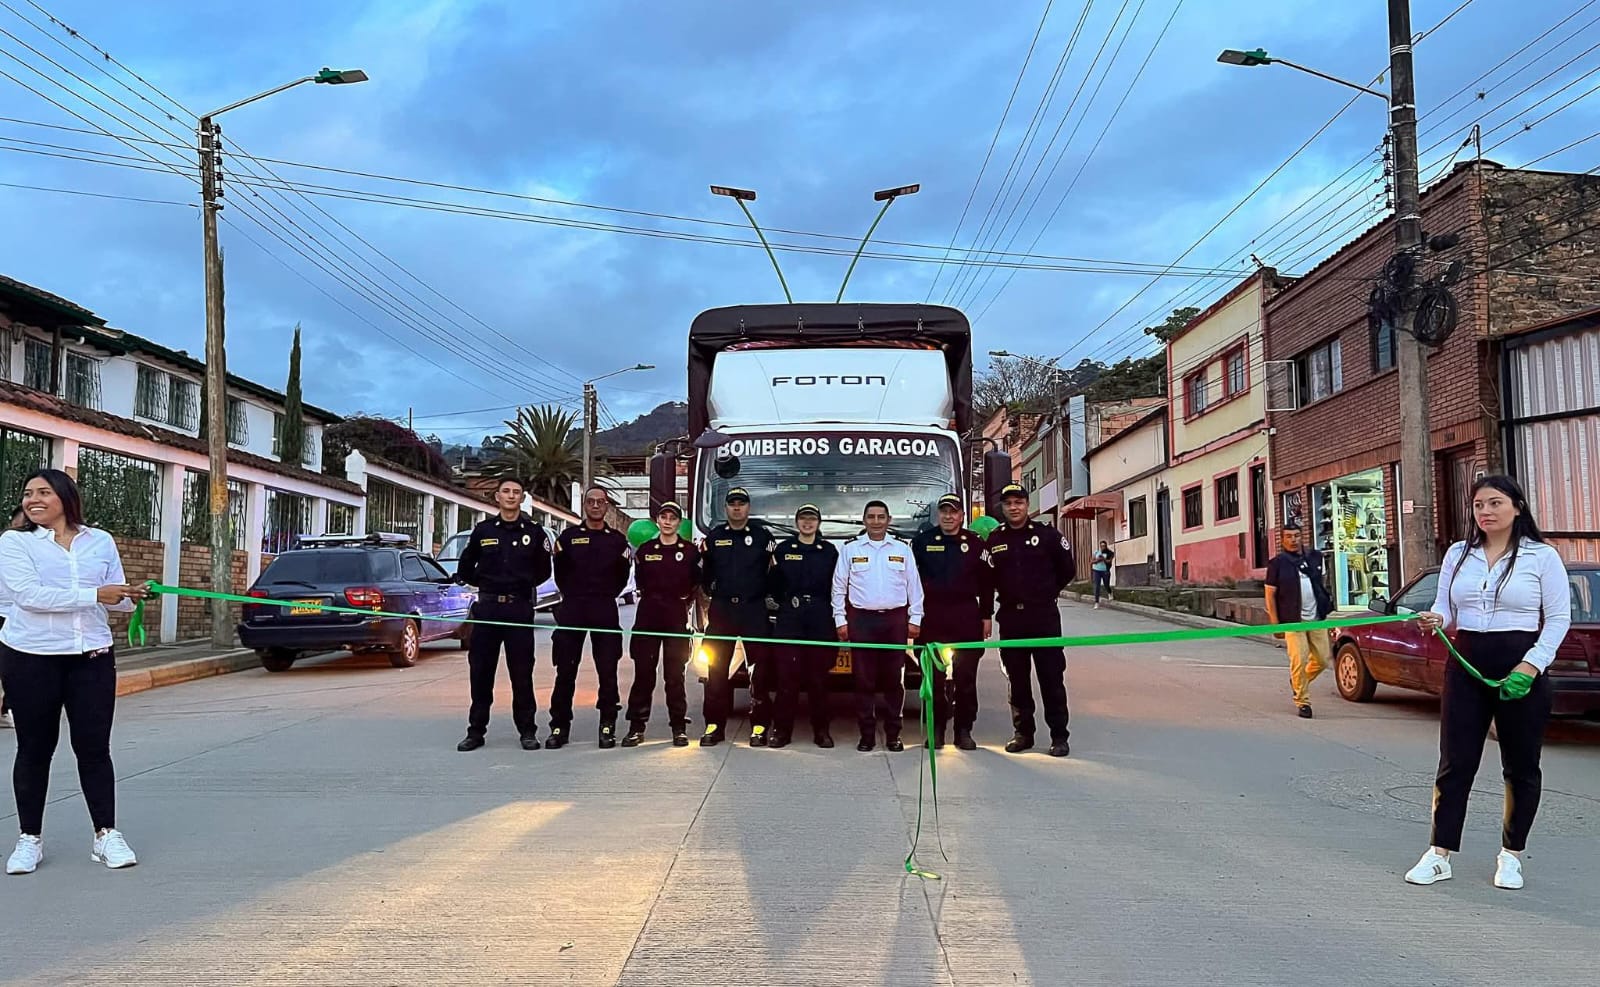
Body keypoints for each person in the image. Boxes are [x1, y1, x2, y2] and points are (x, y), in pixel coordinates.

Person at [1408, 475, 1571, 891]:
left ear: (1517, 506)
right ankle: (1439, 853)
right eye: (1479, 505)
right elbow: (1445, 606)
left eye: (1495, 503)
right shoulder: (1459, 554)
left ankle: (1511, 855)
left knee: (1520, 766)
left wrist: (1530, 666)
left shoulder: (1541, 557)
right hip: (1466, 662)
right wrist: (1437, 620)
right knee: (1456, 761)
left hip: (1520, 663)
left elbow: (1557, 620)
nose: (1485, 512)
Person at [0, 469, 146, 875]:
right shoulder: (15, 542)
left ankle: (106, 835)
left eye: (43, 492)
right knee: (34, 749)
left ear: (65, 497)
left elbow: (114, 600)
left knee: (95, 749)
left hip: (93, 655)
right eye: (28, 493)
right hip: (31, 655)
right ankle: (29, 839)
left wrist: (132, 597)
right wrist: (95, 594)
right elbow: (28, 596)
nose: (33, 499)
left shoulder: (100, 541)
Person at [454, 477, 553, 752]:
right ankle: (475, 732)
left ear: (522, 498)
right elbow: (465, 566)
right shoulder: (483, 530)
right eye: (506, 492)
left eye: (516, 492)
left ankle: (527, 731)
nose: (511, 496)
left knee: (522, 674)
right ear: (496, 497)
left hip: (519, 609)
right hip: (487, 609)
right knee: (481, 673)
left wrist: (521, 583)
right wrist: (486, 582)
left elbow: (544, 570)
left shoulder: (534, 532)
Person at [986, 482, 1075, 757]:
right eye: (1008, 503)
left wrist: (1047, 593)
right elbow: (987, 580)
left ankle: (1059, 736)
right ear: (1002, 507)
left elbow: (1067, 569)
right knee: (1017, 680)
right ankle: (1023, 733)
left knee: (1051, 678)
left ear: (1027, 505)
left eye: (1019, 502)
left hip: (1044, 617)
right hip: (1011, 618)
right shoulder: (995, 539)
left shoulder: (1047, 535)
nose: (1014, 507)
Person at [832, 500, 924, 752]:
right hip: (862, 620)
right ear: (864, 521)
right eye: (871, 517)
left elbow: (914, 587)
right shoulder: (851, 550)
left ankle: (893, 734)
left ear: (889, 520)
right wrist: (841, 620)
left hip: (894, 621)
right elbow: (838, 588)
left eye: (880, 517)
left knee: (894, 680)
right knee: (863, 681)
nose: (876, 521)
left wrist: (915, 619)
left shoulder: (902, 549)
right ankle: (867, 735)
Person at [549, 486, 633, 749]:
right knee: (565, 671)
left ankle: (607, 725)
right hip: (573, 607)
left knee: (607, 672)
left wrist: (604, 594)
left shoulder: (617, 541)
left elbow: (622, 576)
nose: (596, 505)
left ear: (607, 506)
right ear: (584, 505)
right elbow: (560, 573)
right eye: (591, 501)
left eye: (601, 501)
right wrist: (575, 595)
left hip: (604, 608)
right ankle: (559, 727)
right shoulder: (569, 537)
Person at [911, 494, 993, 750]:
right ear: (939, 515)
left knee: (965, 678)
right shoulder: (922, 542)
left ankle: (964, 730)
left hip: (966, 615)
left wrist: (986, 616)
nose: (948, 516)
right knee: (932, 680)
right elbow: (911, 584)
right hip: (932, 616)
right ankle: (936, 731)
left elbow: (988, 583)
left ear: (962, 516)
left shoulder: (976, 543)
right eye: (944, 511)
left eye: (953, 511)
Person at [697, 487, 776, 747]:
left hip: (754, 610)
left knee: (760, 672)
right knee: (716, 670)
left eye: (742, 503)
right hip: (723, 611)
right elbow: (705, 574)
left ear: (748, 507)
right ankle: (714, 725)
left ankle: (760, 726)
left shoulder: (763, 537)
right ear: (726, 508)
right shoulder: (714, 537)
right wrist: (715, 592)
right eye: (732, 503)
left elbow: (773, 574)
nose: (737, 507)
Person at [622, 501, 699, 748]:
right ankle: (636, 727)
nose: (667, 521)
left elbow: (696, 583)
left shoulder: (689, 552)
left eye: (672, 518)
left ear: (679, 522)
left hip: (675, 616)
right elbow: (641, 581)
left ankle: (678, 727)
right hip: (648, 616)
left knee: (675, 676)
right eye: (663, 517)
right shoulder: (645, 550)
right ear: (658, 521)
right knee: (644, 675)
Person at [768, 504, 840, 749]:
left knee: (818, 680)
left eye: (812, 519)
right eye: (803, 519)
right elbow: (774, 584)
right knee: (787, 679)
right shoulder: (784, 549)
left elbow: (836, 585)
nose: (807, 523)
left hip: (820, 616)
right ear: (796, 522)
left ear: (818, 523)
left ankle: (821, 731)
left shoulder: (829, 551)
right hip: (791, 616)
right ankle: (781, 731)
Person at [1263, 526, 1335, 719]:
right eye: (1288, 537)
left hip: (1317, 618)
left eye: (1296, 536)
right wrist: (1275, 623)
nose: (1293, 540)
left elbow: (1322, 582)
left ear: (1302, 537)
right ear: (1282, 540)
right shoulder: (1277, 564)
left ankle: (1297, 682)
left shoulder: (1315, 557)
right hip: (1292, 620)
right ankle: (1303, 701)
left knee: (1321, 660)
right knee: (1299, 660)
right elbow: (1270, 595)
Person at [0, 506, 23, 729]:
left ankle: (6, 707)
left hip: (16, 616)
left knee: (11, 669)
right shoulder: (7, 544)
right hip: (1, 612)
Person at [1090, 541, 1115, 609]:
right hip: (1096, 571)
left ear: (1106, 546)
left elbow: (1109, 561)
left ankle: (1110, 593)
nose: (1103, 547)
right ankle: (1096, 602)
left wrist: (1103, 559)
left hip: (1105, 571)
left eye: (1104, 545)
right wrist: (1097, 560)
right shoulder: (1096, 552)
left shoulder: (1110, 553)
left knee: (1106, 584)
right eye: (1101, 546)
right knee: (1097, 586)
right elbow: (1091, 562)